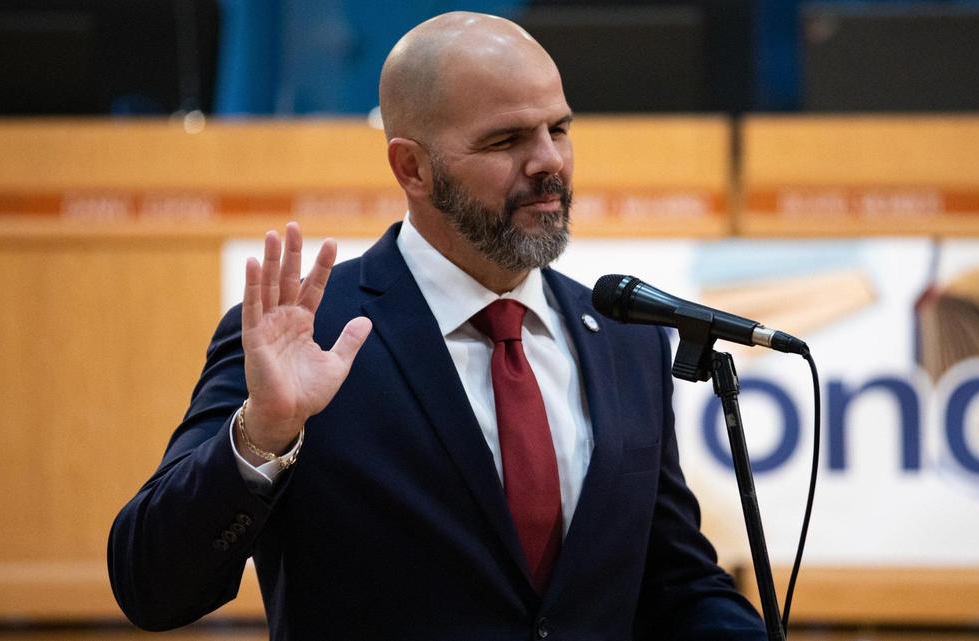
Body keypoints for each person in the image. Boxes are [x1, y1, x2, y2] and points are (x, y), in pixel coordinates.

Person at [109, 12, 766, 640]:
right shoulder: (312, 334)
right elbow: (152, 585)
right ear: (411, 168)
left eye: (558, 129)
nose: (549, 162)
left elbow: (673, 583)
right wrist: (263, 434)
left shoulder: (626, 336)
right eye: (506, 140)